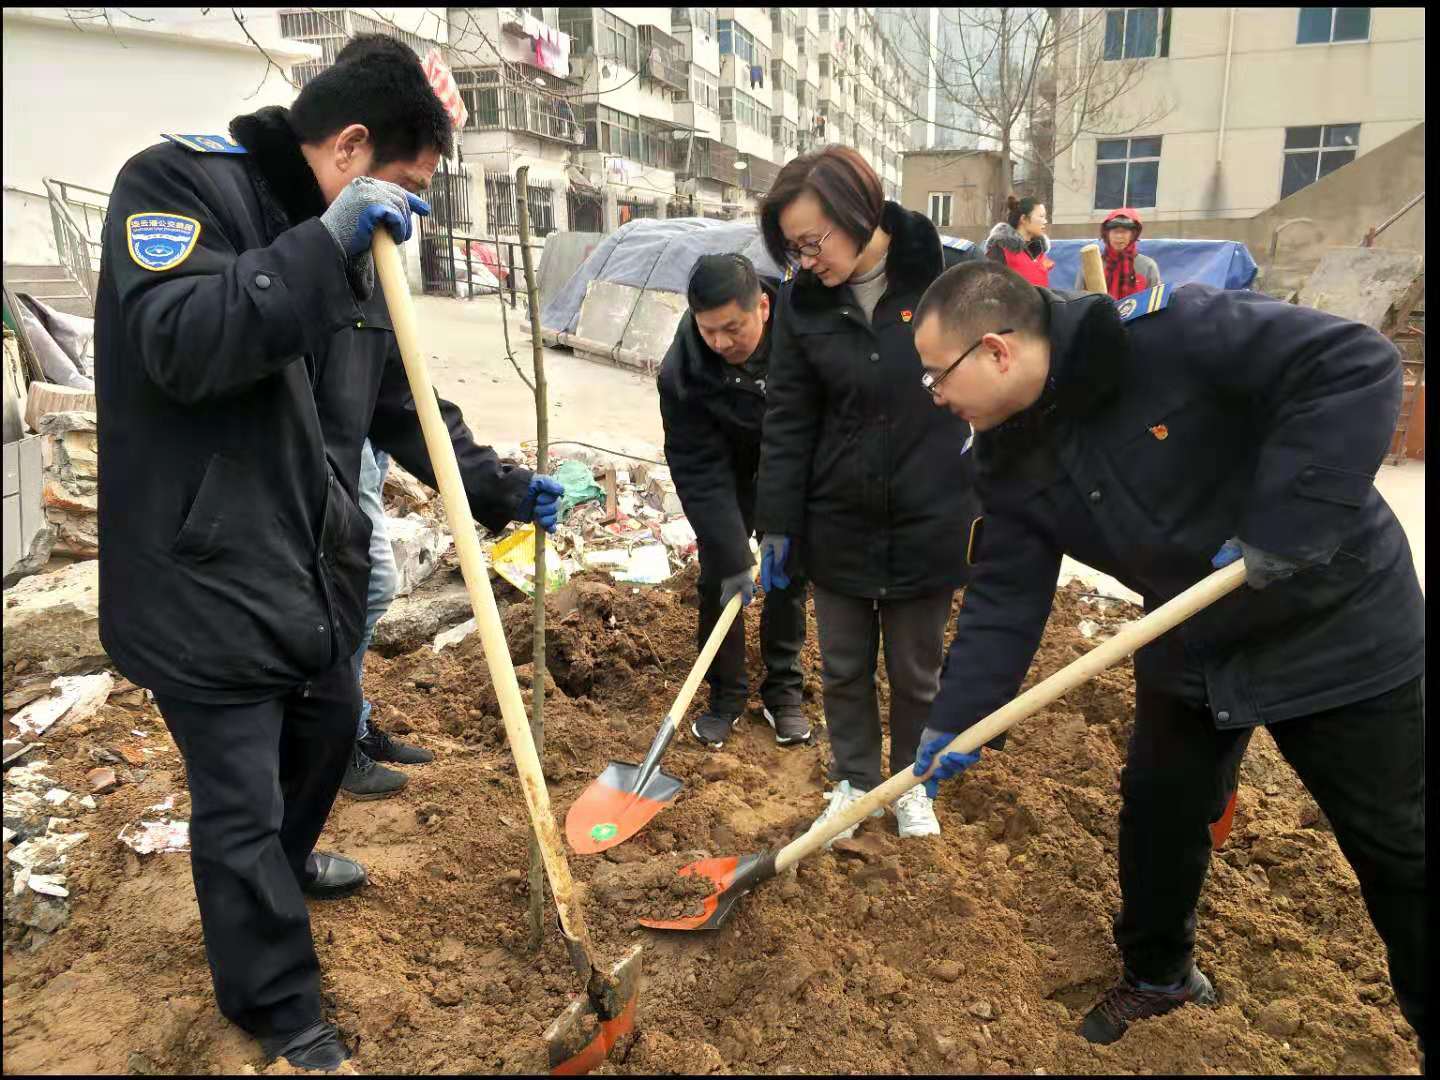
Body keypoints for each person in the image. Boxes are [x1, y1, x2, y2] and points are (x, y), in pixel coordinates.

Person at [94, 38, 564, 1070]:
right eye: (408, 185)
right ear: (350, 148)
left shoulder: (355, 249)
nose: (412, 211)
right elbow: (180, 342)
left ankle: (286, 866)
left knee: (326, 731)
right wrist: (324, 243)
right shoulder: (176, 185)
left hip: (308, 567)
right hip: (199, 574)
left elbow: (400, 399)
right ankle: (276, 1006)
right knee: (240, 802)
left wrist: (497, 487)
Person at [909, 262, 1425, 1050]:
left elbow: (1356, 362)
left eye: (937, 375)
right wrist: (960, 717)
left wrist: (1287, 523)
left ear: (996, 351)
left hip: (1337, 625)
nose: (935, 396)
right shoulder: (1005, 456)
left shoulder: (1177, 335)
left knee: (1399, 846)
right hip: (1194, 634)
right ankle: (1160, 976)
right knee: (1160, 811)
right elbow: (1006, 595)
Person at [754, 145, 981, 842]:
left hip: (929, 511)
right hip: (839, 515)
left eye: (812, 242)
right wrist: (777, 522)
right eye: (792, 249)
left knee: (916, 670)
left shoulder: (947, 280)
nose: (806, 261)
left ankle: (911, 786)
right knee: (845, 666)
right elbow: (788, 416)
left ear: (858, 212)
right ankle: (854, 783)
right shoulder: (802, 303)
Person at [658, 253, 810, 749]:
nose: (721, 342)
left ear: (762, 307)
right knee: (720, 576)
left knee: (786, 572)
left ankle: (783, 691)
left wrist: (783, 520)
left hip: (788, 460)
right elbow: (697, 467)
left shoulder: (803, 332)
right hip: (723, 467)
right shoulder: (683, 371)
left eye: (732, 328)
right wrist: (731, 551)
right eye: (709, 330)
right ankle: (725, 695)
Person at [1073, 208, 1161, 300]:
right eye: (1115, 231)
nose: (1119, 236)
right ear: (1107, 234)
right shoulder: (1090, 267)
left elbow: (1154, 303)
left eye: (1124, 231)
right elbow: (1078, 302)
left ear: (1133, 235)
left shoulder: (1148, 266)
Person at [985, 194, 1052, 286]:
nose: (1045, 221)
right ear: (1023, 219)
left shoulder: (1039, 250)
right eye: (1041, 216)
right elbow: (988, 287)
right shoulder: (1000, 250)